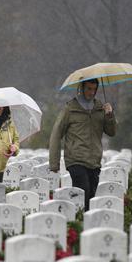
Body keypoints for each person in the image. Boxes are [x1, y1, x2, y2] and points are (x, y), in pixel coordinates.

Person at [49, 78, 116, 210]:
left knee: (91, 196)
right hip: (76, 160)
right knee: (83, 191)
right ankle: (80, 222)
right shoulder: (70, 109)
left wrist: (109, 115)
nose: (91, 92)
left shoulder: (100, 108)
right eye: (88, 89)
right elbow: (56, 134)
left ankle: (84, 225)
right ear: (81, 88)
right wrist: (54, 163)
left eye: (94, 89)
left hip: (94, 161)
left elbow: (111, 132)